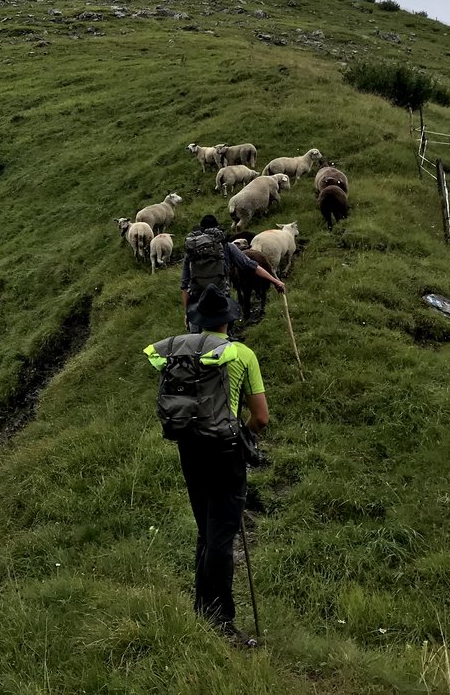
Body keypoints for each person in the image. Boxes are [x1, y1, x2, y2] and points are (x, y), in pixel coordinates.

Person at [145, 285, 269, 646]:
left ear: (199, 322)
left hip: (189, 446)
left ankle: (202, 607)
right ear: (229, 320)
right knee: (222, 533)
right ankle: (221, 618)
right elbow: (260, 417)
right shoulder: (242, 354)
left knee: (205, 526)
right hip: (225, 449)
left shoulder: (180, 351)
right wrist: (242, 437)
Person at [180, 214, 285, 332]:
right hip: (220, 301)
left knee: (197, 341)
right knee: (222, 339)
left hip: (197, 303)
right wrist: (276, 281)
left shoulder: (191, 251)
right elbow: (251, 265)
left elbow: (184, 285)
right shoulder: (226, 246)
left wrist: (187, 313)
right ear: (216, 228)